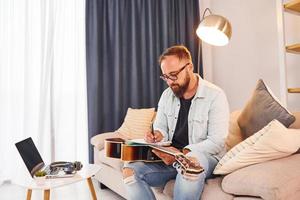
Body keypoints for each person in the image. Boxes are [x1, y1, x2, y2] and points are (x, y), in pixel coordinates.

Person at [122, 45, 229, 200]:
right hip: (171, 159)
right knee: (129, 171)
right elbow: (161, 128)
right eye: (165, 77)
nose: (170, 82)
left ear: (189, 67)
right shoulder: (167, 96)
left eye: (173, 75)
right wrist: (158, 135)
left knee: (190, 165)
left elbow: (216, 141)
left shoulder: (215, 95)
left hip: (205, 157)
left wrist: (181, 154)